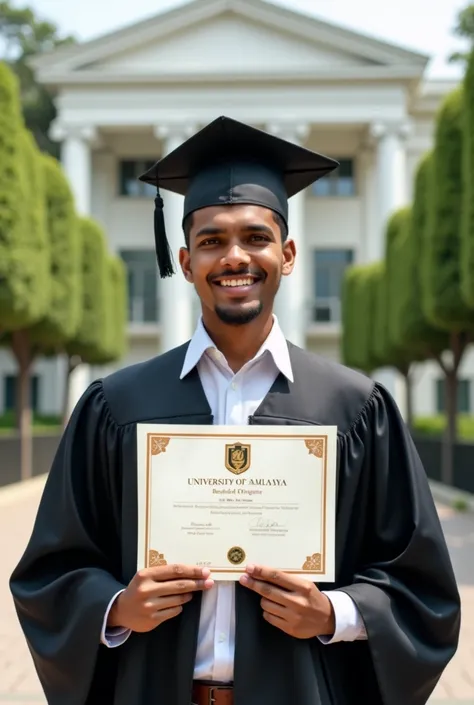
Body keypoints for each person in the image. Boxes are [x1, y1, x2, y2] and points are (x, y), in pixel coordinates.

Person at [10, 116, 460, 705]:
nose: (234, 257)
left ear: (288, 253)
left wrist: (334, 613)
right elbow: (50, 572)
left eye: (255, 237)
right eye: (212, 241)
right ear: (186, 259)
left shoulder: (354, 409)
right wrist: (117, 606)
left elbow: (421, 588)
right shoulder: (117, 405)